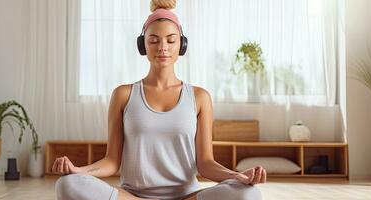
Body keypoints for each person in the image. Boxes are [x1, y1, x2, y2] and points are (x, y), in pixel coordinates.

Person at [52, 0, 266, 199]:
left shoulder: (200, 97)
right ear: (142, 45)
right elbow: (112, 161)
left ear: (181, 45)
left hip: (186, 197)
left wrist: (236, 176)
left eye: (170, 40)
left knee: (250, 194)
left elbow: (206, 163)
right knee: (67, 184)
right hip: (133, 197)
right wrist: (78, 171)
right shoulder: (123, 95)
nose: (162, 47)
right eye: (153, 41)